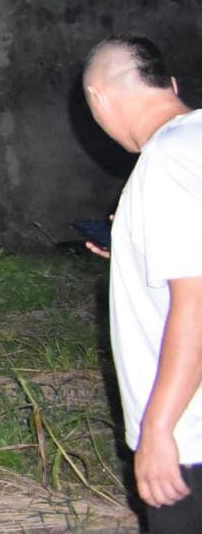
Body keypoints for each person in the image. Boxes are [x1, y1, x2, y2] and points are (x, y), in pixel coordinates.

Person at [82, 35, 202, 528]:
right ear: (171, 85)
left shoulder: (165, 161)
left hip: (190, 434)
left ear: (99, 99)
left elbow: (196, 301)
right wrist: (133, 247)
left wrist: (157, 428)